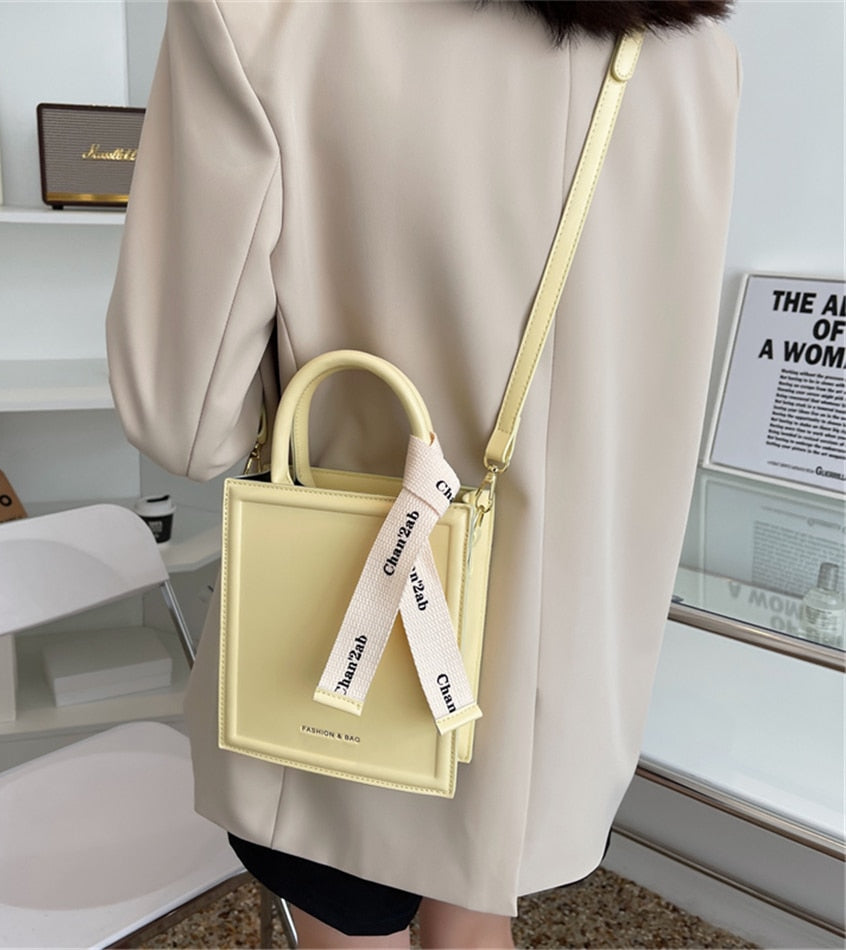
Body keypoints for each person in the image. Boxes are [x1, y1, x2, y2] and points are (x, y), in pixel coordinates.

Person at [106, 1, 739, 946]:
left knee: (353, 914)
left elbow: (184, 420)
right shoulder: (698, 53)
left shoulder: (262, 15)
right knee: (476, 912)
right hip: (564, 662)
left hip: (347, 631)